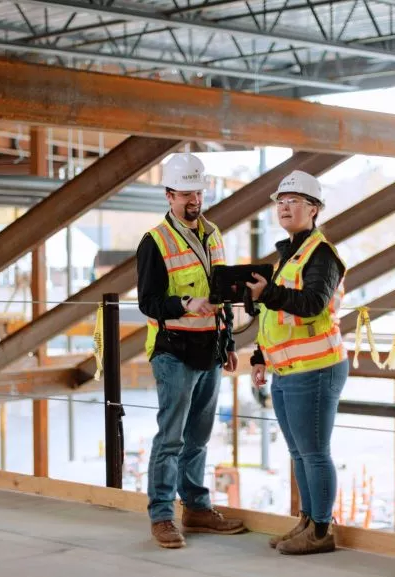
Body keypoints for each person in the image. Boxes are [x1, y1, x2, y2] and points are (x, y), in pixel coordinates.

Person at [137, 152, 245, 549]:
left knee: (198, 437)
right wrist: (185, 303)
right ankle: (162, 516)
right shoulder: (155, 242)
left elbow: (223, 293)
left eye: (198, 191)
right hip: (174, 351)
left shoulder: (214, 234)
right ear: (169, 195)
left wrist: (228, 340)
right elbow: (148, 303)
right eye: (186, 193)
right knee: (171, 439)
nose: (194, 200)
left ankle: (197, 509)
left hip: (210, 348)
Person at [246, 170, 348, 556]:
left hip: (316, 368)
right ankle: (307, 521)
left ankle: (321, 531)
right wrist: (259, 356)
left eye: (294, 201)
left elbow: (311, 306)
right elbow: (275, 317)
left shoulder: (321, 254)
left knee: (314, 451)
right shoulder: (288, 252)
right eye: (280, 201)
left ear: (314, 209)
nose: (284, 207)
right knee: (299, 452)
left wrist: (268, 292)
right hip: (287, 369)